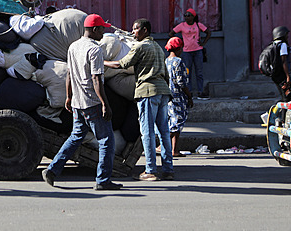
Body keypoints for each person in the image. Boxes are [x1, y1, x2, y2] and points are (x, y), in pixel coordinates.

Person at [41, 14, 123, 191]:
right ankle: (103, 180)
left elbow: (69, 74)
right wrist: (104, 104)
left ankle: (52, 170)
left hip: (78, 102)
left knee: (76, 136)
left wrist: (69, 97)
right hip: (92, 102)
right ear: (94, 30)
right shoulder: (95, 50)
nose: (103, 32)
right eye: (102, 29)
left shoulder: (74, 47)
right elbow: (96, 79)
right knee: (106, 140)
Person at [107, 18, 173, 181]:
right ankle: (168, 169)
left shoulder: (140, 46)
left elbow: (122, 64)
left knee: (147, 132)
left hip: (148, 92)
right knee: (163, 132)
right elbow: (166, 74)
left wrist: (102, 62)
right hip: (162, 92)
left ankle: (150, 170)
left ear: (144, 30)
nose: (132, 31)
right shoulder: (157, 47)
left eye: (135, 29)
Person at [169, 8, 211, 99]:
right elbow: (171, 33)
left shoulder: (198, 25)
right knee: (187, 72)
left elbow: (208, 32)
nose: (186, 17)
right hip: (187, 52)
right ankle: (189, 92)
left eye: (188, 15)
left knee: (199, 72)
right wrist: (180, 42)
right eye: (185, 15)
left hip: (198, 50)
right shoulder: (182, 25)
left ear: (193, 16)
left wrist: (203, 43)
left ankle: (200, 92)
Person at [164, 37, 193, 157]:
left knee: (171, 122)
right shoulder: (179, 62)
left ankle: (169, 148)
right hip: (178, 97)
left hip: (167, 96)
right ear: (179, 48)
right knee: (176, 124)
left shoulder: (166, 61)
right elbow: (182, 82)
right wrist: (189, 96)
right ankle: (171, 149)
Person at [271, 26, 291, 102]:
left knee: (283, 95)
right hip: (282, 75)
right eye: (286, 34)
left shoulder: (274, 44)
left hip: (276, 75)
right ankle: (283, 113)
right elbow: (284, 61)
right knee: (287, 97)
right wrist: (287, 76)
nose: (287, 36)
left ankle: (282, 112)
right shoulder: (282, 45)